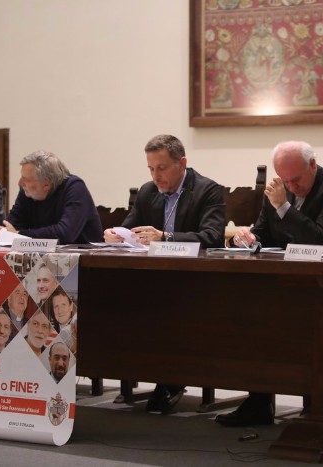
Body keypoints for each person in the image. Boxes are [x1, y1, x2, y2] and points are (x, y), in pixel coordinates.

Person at [215, 140, 323, 427]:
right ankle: (259, 401)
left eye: (296, 180)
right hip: (285, 284)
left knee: (281, 320)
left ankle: (320, 401)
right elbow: (263, 234)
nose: (291, 186)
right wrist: (248, 238)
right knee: (250, 315)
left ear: (313, 165)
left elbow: (318, 239)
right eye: (285, 179)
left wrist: (282, 205)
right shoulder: (278, 190)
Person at [104, 134, 226, 414]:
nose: (155, 176)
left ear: (181, 163)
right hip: (154, 277)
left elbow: (212, 237)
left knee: (169, 309)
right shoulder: (148, 191)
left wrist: (166, 237)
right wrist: (114, 234)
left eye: (161, 168)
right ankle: (140, 368)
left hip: (195, 280)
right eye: (150, 168)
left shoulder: (207, 190)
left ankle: (172, 376)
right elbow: (129, 228)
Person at [0, 150, 103, 244]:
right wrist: (5, 232)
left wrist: (18, 234)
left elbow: (65, 233)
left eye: (26, 179)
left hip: (85, 257)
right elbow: (9, 226)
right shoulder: (26, 192)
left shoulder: (75, 187)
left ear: (47, 185)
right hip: (39, 255)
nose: (20, 183)